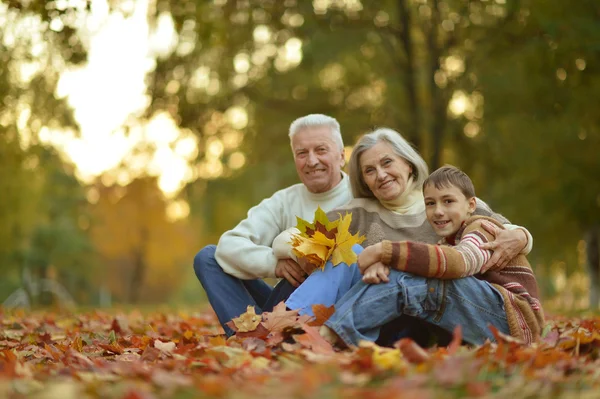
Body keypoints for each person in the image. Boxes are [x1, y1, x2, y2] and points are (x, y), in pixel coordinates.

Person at [283, 128, 533, 340]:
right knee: (349, 253)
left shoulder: (460, 207)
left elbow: (496, 233)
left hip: (468, 312)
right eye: (369, 170)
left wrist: (522, 235)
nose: (381, 174)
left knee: (414, 275)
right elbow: (296, 238)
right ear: (364, 180)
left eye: (387, 162)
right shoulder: (357, 212)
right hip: (404, 313)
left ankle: (328, 336)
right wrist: (292, 257)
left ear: (408, 164)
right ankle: (288, 327)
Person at [320, 165, 544, 346]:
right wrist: (386, 263)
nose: (438, 211)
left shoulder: (482, 228)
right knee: (413, 271)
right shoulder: (446, 242)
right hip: (484, 319)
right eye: (430, 203)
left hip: (515, 325)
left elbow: (459, 263)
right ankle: (334, 332)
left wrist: (384, 251)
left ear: (471, 205)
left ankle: (332, 336)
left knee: (425, 279)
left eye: (448, 201)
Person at [193, 114, 352, 336]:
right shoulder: (284, 201)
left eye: (321, 150)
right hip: (286, 300)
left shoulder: (362, 196)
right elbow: (229, 244)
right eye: (302, 153)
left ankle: (262, 338)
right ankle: (250, 336)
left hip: (334, 308)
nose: (312, 161)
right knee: (208, 257)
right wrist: (274, 264)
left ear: (342, 156)